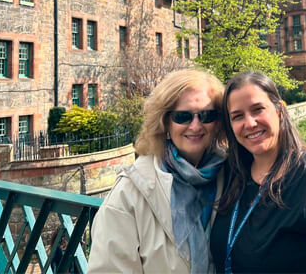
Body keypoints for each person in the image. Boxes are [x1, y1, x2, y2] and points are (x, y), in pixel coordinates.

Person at [210, 71, 306, 273]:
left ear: (279, 111)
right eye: (237, 116)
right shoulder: (232, 175)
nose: (250, 123)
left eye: (258, 109)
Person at [88, 69, 226, 274]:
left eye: (207, 115)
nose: (196, 126)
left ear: (218, 123)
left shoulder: (232, 176)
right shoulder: (131, 191)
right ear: (165, 122)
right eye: (183, 117)